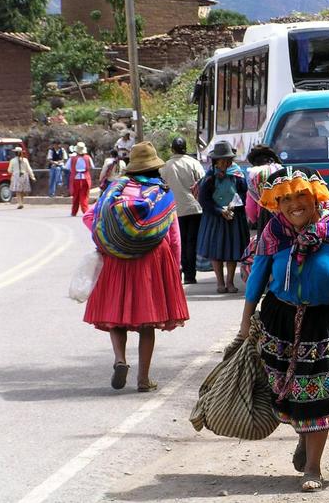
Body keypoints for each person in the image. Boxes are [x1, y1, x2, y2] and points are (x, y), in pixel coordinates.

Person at [238, 166, 329, 492]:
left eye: (300, 195)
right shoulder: (275, 230)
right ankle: (305, 437)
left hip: (326, 322)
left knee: (318, 395)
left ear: (315, 196)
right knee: (289, 392)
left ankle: (313, 467)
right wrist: (246, 319)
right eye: (285, 198)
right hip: (281, 321)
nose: (293, 205)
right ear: (278, 202)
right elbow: (258, 276)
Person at [83, 141, 189, 392]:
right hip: (153, 258)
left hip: (117, 258)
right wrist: (175, 266)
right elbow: (174, 236)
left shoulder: (114, 190)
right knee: (147, 322)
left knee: (116, 316)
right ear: (155, 167)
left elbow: (90, 217)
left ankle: (120, 360)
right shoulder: (162, 193)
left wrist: (111, 239)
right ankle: (143, 379)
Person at [196, 141, 249, 293]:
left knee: (232, 251)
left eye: (228, 160)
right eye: (223, 160)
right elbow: (204, 200)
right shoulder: (210, 177)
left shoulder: (237, 174)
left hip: (234, 216)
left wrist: (235, 205)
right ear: (216, 161)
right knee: (216, 251)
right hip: (215, 218)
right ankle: (220, 282)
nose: (226, 163)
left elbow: (243, 194)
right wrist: (220, 211)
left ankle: (230, 282)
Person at [160, 137, 205, 285]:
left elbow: (162, 186)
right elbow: (203, 183)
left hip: (174, 210)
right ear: (186, 148)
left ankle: (177, 273)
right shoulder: (194, 163)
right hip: (194, 208)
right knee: (191, 242)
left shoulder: (165, 166)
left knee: (177, 242)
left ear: (172, 149)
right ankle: (190, 275)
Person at [245, 144, 283, 233]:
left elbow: (250, 207)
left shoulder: (253, 177)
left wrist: (254, 220)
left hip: (264, 216)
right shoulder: (279, 170)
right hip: (283, 212)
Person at [66, 142, 95, 216]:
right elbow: (92, 167)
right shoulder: (88, 158)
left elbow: (66, 167)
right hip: (85, 178)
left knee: (75, 196)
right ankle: (85, 211)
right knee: (84, 196)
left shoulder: (72, 158)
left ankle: (74, 212)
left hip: (76, 178)